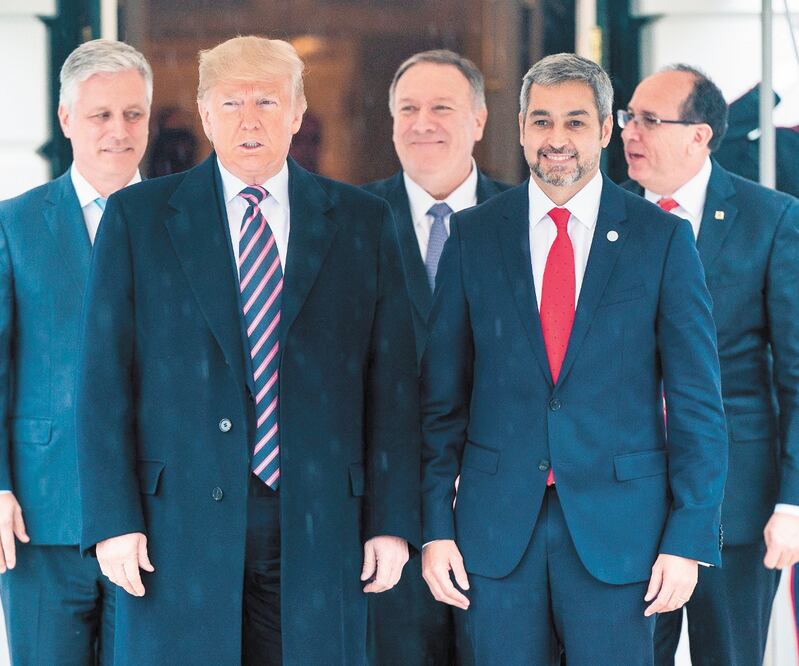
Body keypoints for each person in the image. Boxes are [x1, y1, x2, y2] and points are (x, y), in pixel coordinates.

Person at [75, 35, 420, 665]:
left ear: (297, 113)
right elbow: (102, 384)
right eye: (231, 102)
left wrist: (392, 521)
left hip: (320, 523)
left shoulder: (363, 222)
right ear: (205, 115)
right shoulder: (138, 219)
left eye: (267, 100)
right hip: (172, 527)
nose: (251, 118)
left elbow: (391, 383)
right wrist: (111, 519)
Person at [419, 52, 728, 666]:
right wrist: (433, 527)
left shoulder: (661, 240)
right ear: (520, 126)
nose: (556, 139)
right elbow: (442, 400)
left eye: (576, 122)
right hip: (498, 532)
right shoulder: (475, 236)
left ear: (608, 130)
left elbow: (698, 404)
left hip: (624, 536)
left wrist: (688, 538)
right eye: (541, 122)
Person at [620, 64, 799, 666]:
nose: (629, 132)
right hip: (626, 498)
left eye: (650, 119)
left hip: (739, 502)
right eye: (628, 117)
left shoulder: (769, 219)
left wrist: (794, 502)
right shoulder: (603, 219)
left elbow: (796, 375)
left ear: (700, 135)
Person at [0, 39, 152, 664]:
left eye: (133, 114)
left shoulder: (188, 224)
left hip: (156, 517)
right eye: (100, 115)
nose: (119, 131)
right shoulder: (14, 224)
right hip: (41, 515)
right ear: (66, 120)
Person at [363, 50, 509, 665]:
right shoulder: (349, 222)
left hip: (503, 515)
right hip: (386, 523)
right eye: (408, 108)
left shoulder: (526, 220)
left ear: (479, 119)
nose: (423, 122)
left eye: (441, 107)